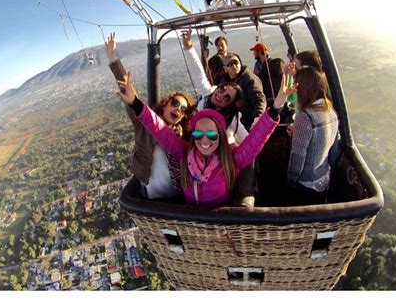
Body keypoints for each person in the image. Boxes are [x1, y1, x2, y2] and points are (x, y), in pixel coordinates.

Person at [116, 71, 296, 207]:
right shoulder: (186, 153)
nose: (204, 140)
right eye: (198, 134)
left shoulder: (231, 159)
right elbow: (158, 127)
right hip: (191, 220)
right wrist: (134, 102)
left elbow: (256, 138)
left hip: (217, 224)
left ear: (220, 136)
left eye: (211, 135)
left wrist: (277, 105)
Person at [104, 32, 195, 200]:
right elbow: (131, 95)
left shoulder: (184, 136)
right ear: (166, 103)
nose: (178, 109)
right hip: (152, 197)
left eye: (184, 109)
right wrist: (112, 58)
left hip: (180, 196)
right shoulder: (145, 124)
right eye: (175, 103)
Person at [181, 29, 256, 207]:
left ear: (230, 105)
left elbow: (249, 144)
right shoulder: (208, 94)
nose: (221, 95)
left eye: (227, 98)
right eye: (222, 89)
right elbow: (199, 74)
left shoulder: (234, 120)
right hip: (196, 155)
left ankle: (243, 198)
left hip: (219, 167)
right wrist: (189, 47)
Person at [287, 66, 339, 205]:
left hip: (306, 183)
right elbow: (333, 150)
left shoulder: (305, 117)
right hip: (324, 178)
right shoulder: (331, 112)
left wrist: (290, 181)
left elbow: (297, 157)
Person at [219, 53, 267, 131]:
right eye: (230, 64)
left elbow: (259, 99)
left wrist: (258, 118)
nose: (234, 66)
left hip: (249, 125)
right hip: (233, 125)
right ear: (225, 68)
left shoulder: (250, 79)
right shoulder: (223, 83)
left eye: (236, 62)